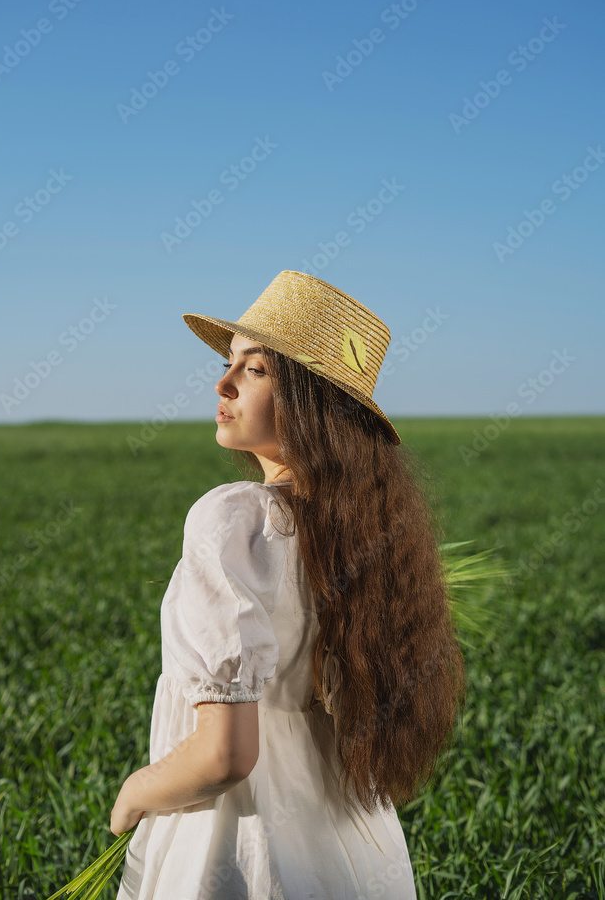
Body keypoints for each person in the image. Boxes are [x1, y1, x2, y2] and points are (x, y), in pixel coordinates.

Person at [111, 269, 465, 899]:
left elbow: (225, 756)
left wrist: (137, 790)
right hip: (355, 841)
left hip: (241, 845)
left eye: (257, 368)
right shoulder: (372, 530)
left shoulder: (235, 518)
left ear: (314, 401)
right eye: (228, 361)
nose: (222, 382)